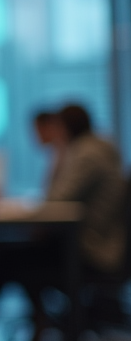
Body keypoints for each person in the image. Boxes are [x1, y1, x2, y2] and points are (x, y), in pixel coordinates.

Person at [49, 104, 125, 275]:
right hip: (97, 240)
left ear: (65, 127)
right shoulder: (96, 147)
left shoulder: (87, 155)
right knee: (7, 256)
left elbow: (56, 200)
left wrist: (57, 155)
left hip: (92, 246)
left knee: (8, 259)